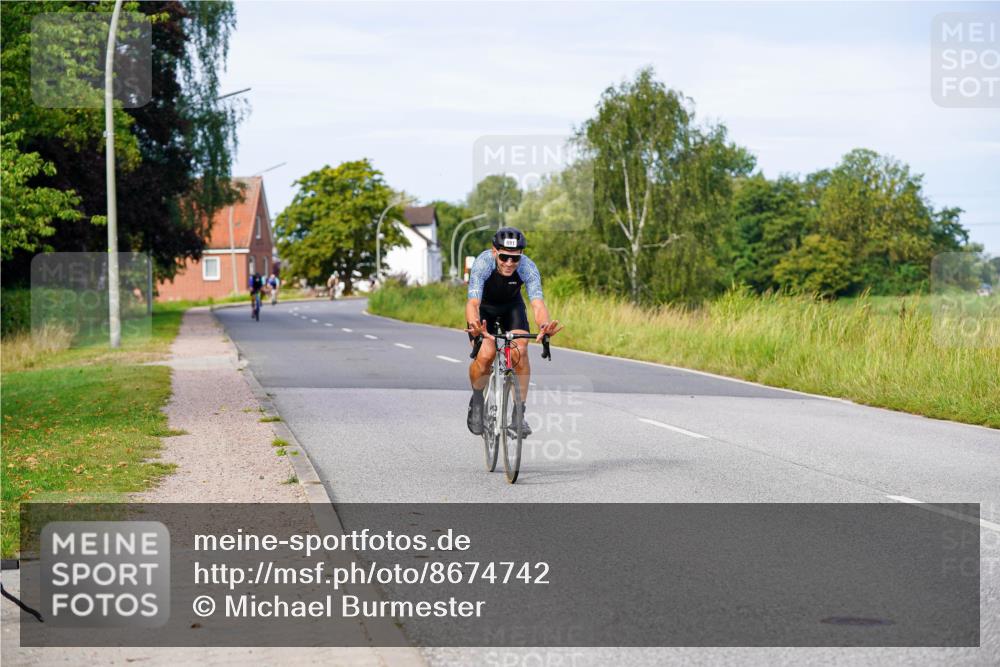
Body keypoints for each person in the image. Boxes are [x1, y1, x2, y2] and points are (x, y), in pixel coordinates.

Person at [465, 227, 561, 437]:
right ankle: (478, 398)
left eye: (514, 259)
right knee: (487, 354)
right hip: (484, 311)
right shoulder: (483, 264)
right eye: (504, 257)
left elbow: (537, 304)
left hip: (511, 307)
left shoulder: (528, 267)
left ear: (521, 256)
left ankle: (519, 414)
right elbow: (473, 303)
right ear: (494, 252)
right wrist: (476, 327)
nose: (509, 263)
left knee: (521, 350)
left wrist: (544, 326)